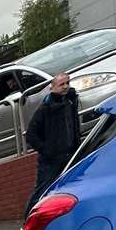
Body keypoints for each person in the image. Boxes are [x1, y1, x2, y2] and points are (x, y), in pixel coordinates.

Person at [24, 71, 81, 214]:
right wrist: (47, 150)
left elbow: (72, 125)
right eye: (61, 84)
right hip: (51, 159)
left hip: (70, 153)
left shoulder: (70, 101)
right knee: (42, 191)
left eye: (67, 83)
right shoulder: (46, 108)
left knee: (69, 187)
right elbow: (31, 135)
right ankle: (29, 219)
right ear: (53, 87)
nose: (65, 86)